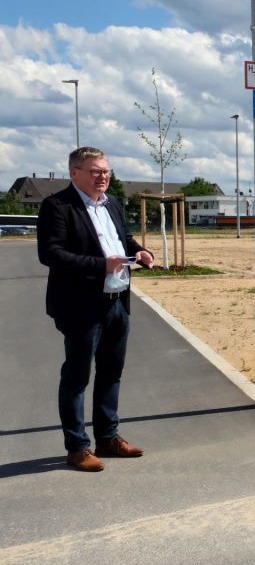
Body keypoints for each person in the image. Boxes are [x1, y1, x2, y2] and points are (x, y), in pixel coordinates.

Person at [37, 147, 155, 472]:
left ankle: (108, 438)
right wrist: (101, 265)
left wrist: (140, 251)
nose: (102, 177)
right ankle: (77, 447)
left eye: (106, 171)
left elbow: (124, 238)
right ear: (74, 173)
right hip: (80, 307)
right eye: (95, 171)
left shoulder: (112, 202)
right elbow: (51, 254)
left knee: (111, 372)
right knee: (77, 377)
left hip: (117, 301)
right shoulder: (57, 206)